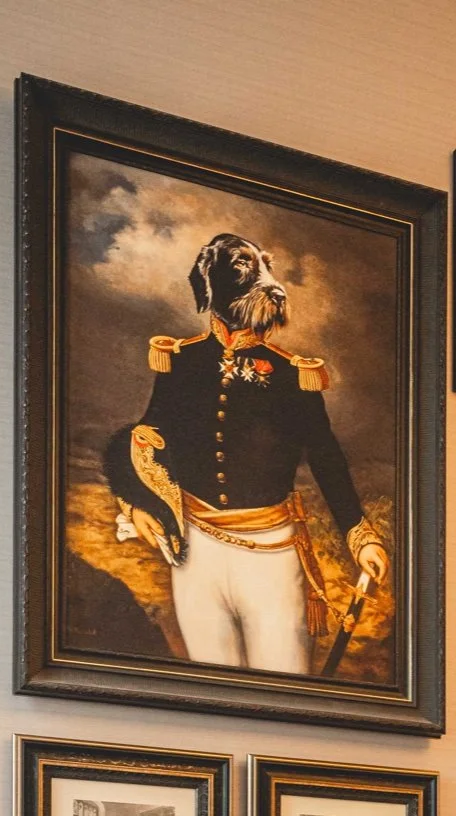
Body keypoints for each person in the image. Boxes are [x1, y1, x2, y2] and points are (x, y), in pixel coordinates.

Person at [105, 232, 388, 676]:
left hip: (271, 556)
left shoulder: (294, 375)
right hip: (194, 554)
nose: (270, 285)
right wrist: (135, 498)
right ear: (209, 281)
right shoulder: (181, 362)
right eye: (242, 267)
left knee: (285, 684)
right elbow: (148, 437)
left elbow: (326, 456)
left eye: (263, 267)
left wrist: (360, 535)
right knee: (211, 687)